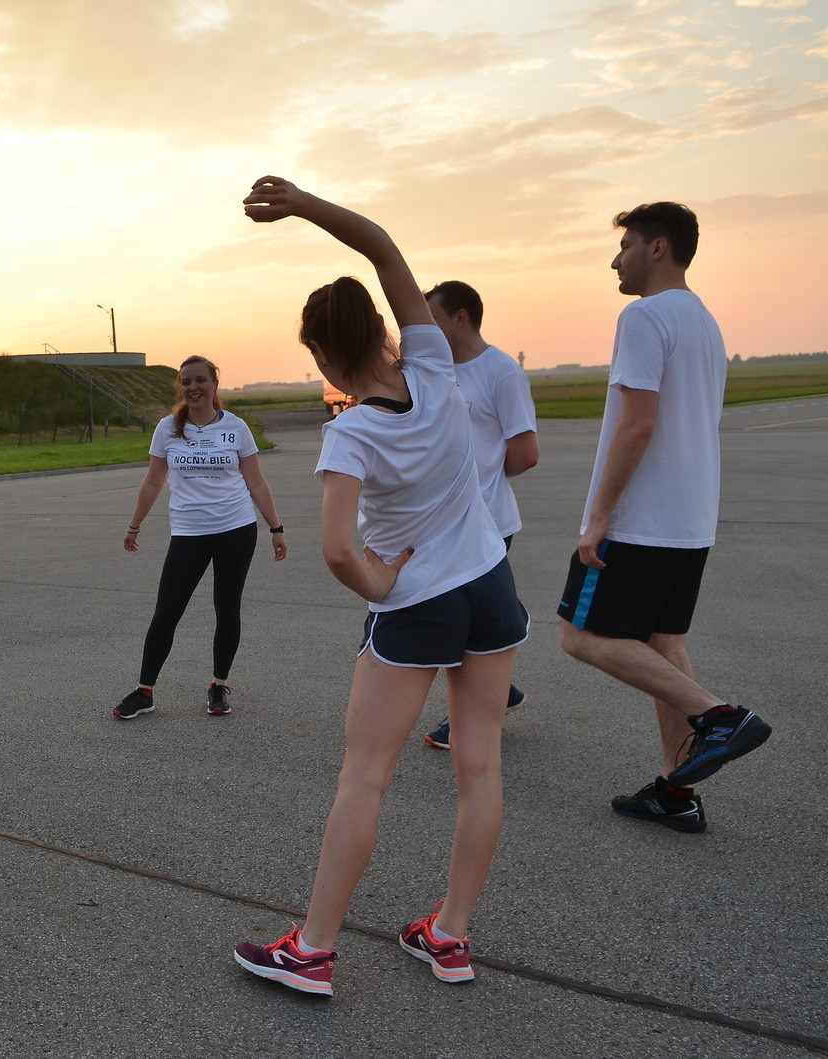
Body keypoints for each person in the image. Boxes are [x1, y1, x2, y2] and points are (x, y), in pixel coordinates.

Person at [231, 176, 528, 997]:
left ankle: (312, 949)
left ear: (323, 356)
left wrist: (379, 579)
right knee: (481, 766)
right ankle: (450, 935)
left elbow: (337, 549)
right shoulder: (434, 365)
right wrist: (302, 204)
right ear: (383, 327)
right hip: (490, 584)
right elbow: (383, 249)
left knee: (365, 775)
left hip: (418, 602)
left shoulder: (352, 431)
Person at [557, 202, 770, 833]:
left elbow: (639, 424)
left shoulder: (644, 315)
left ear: (657, 248)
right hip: (691, 517)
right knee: (664, 644)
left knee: (579, 636)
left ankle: (721, 716)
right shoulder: (705, 321)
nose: (615, 260)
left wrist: (599, 516)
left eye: (625, 245)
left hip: (642, 519)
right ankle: (677, 792)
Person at [114, 356, 286, 719]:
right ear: (180, 387)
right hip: (189, 532)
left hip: (236, 529)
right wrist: (134, 525)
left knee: (227, 608)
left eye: (200, 380)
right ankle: (144, 691)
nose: (193, 387)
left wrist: (276, 528)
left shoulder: (236, 427)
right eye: (186, 381)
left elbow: (255, 481)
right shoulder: (168, 428)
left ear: (214, 384)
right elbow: (153, 481)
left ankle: (218, 685)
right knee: (167, 611)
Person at [420, 280, 539, 749]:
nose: (424, 328)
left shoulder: (501, 371)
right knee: (463, 618)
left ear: (460, 317)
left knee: (459, 621)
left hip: (489, 521)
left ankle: (468, 718)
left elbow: (525, 452)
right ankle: (500, 691)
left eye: (432, 319)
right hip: (441, 522)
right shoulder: (433, 371)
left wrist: (483, 478)